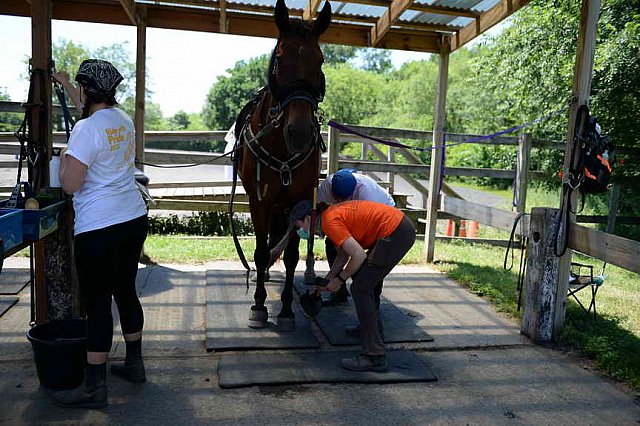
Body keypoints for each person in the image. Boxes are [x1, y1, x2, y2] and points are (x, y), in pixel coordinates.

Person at [51, 59, 148, 408]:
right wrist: (63, 82)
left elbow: (70, 186)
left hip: (99, 227)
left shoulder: (85, 130)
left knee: (97, 305)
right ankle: (134, 365)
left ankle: (94, 387)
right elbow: (91, 117)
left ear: (86, 90)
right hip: (132, 218)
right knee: (125, 292)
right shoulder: (122, 121)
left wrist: (63, 157)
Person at [295, 200, 416, 372]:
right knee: (363, 281)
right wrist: (327, 281)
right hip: (397, 227)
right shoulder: (330, 217)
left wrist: (340, 280)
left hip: (395, 231)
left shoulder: (330, 222)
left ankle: (374, 355)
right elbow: (343, 257)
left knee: (360, 289)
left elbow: (358, 256)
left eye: (299, 226)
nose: (300, 231)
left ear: (308, 219)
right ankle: (371, 330)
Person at [317, 169, 395, 305]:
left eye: (345, 198)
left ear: (354, 191)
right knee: (331, 242)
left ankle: (372, 300)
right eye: (337, 198)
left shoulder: (367, 193)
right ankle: (337, 293)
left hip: (381, 218)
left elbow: (369, 226)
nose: (341, 201)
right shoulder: (326, 187)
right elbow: (317, 211)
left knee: (373, 258)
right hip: (350, 218)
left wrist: (344, 271)